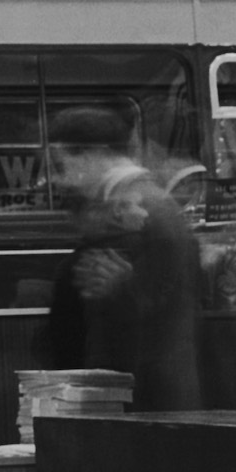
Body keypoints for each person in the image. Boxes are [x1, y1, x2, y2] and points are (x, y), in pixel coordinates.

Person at [42, 104, 202, 410]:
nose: (61, 181)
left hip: (144, 393)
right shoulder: (148, 203)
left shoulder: (141, 208)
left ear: (92, 155)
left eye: (61, 166)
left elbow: (151, 307)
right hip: (145, 389)